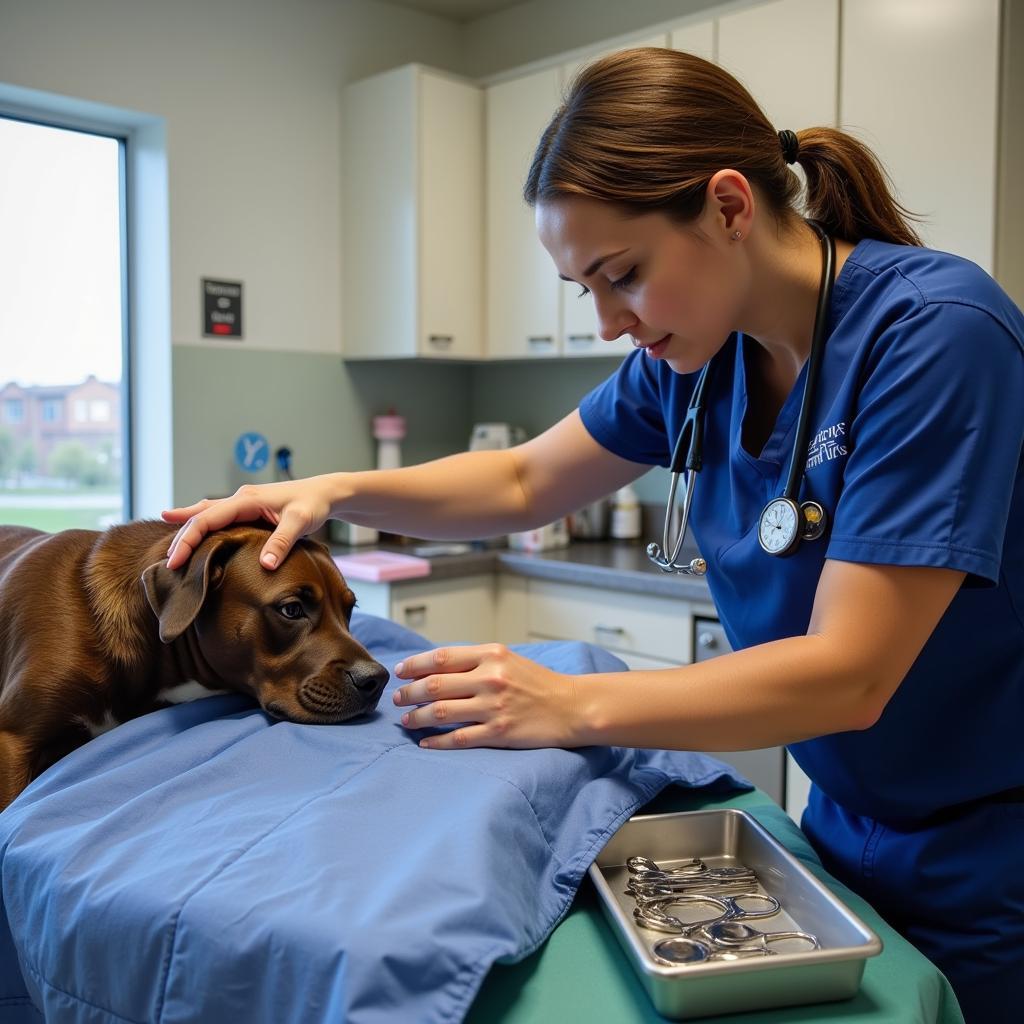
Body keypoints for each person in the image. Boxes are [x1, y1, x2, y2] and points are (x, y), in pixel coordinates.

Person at [163, 48, 1022, 1022]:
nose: (611, 321)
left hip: (986, 850)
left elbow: (851, 673)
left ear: (729, 207)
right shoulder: (695, 358)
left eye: (624, 275)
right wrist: (331, 488)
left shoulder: (935, 334)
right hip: (836, 819)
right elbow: (526, 476)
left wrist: (570, 703)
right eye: (585, 289)